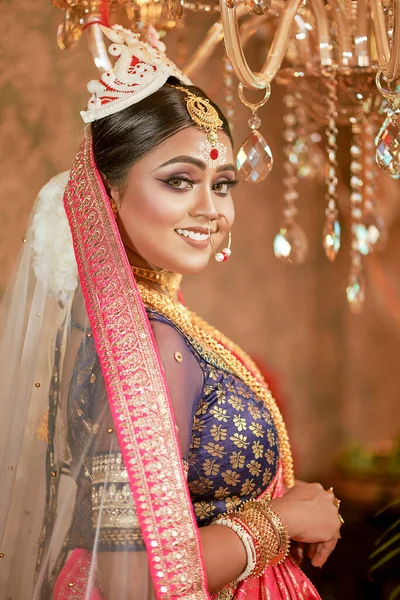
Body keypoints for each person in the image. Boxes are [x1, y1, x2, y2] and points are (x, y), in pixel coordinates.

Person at [0, 25, 343, 600]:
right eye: (179, 181)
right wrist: (280, 521)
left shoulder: (163, 325)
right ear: (106, 194)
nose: (210, 210)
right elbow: (128, 578)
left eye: (223, 183)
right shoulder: (143, 343)